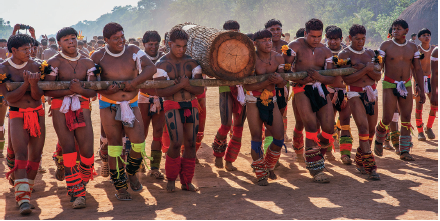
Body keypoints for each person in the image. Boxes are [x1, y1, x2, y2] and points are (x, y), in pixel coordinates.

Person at [90, 22, 156, 200]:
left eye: (122, 36)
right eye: (116, 38)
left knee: (138, 142)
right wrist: (106, 90)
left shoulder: (133, 50)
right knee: (115, 146)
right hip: (108, 105)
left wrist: (134, 83)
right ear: (106, 40)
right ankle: (120, 187)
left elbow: (151, 68)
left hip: (132, 103)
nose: (121, 41)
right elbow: (92, 82)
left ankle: (131, 172)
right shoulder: (97, 56)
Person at [44, 27, 97, 209]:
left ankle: (80, 181)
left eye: (73, 38)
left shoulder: (88, 62)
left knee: (87, 151)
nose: (71, 42)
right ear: (59, 43)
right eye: (66, 39)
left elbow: (93, 92)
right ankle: (76, 192)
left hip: (82, 105)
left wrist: (80, 91)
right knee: (68, 149)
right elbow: (46, 89)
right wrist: (69, 91)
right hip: (60, 106)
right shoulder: (53, 62)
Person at [154, 27, 204, 192]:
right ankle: (171, 179)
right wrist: (183, 85)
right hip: (171, 105)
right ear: (169, 44)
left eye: (183, 46)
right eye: (177, 46)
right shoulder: (161, 64)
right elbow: (160, 92)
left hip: (191, 105)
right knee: (175, 143)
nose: (181, 50)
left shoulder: (193, 63)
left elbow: (200, 91)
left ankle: (187, 181)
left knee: (190, 143)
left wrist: (185, 85)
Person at [1, 34, 45, 215]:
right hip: (17, 114)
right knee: (20, 154)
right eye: (25, 49)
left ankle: (26, 191)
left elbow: (38, 96)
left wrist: (33, 85)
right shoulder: (3, 69)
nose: (30, 52)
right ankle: (23, 200)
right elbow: (9, 99)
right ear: (13, 51)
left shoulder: (37, 66)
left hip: (38, 113)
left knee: (35, 156)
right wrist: (25, 83)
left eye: (30, 48)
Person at [288, 18, 335, 183]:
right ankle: (316, 169)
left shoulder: (326, 51)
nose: (316, 40)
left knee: (329, 129)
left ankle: (316, 156)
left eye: (319, 36)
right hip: (300, 89)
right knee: (311, 127)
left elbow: (331, 79)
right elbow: (285, 71)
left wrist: (318, 76)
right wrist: (300, 80)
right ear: (305, 33)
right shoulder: (294, 46)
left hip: (320, 88)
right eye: (312, 36)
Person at [374, 19, 426, 161]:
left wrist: (421, 88)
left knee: (406, 118)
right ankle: (379, 138)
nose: (395, 31)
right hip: (389, 84)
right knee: (387, 117)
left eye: (398, 29)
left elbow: (418, 69)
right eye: (393, 28)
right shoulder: (385, 45)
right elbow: (377, 67)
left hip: (407, 84)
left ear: (406, 31)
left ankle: (404, 151)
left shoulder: (413, 48)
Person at [339, 24, 381, 180]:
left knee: (371, 130)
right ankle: (371, 167)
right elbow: (346, 79)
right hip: (354, 93)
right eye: (357, 39)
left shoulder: (371, 53)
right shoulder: (344, 55)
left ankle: (359, 159)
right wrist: (365, 69)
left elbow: (377, 76)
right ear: (350, 38)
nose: (360, 42)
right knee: (363, 128)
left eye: (363, 39)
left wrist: (366, 70)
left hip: (371, 92)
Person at [243, 29, 285, 185]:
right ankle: (261, 173)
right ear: (255, 43)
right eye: (264, 40)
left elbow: (283, 82)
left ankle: (267, 165)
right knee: (256, 137)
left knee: (279, 137)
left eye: (270, 39)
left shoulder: (278, 57)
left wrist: (280, 79)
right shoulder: (249, 59)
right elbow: (246, 84)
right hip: (253, 99)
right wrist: (266, 83)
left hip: (271, 99)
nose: (268, 42)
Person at [211, 20, 247, 171]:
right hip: (225, 88)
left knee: (238, 127)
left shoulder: (247, 47)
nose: (234, 34)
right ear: (223, 33)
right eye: (230, 32)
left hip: (243, 89)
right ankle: (218, 155)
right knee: (226, 124)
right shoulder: (217, 49)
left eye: (236, 31)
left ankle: (230, 160)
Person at [139, 30, 165, 179]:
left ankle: (155, 168)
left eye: (156, 44)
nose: (153, 47)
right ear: (144, 44)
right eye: (150, 44)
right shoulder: (138, 58)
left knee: (158, 133)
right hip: (143, 98)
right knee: (141, 133)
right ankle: (140, 162)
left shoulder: (164, 58)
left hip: (160, 99)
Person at [325, 25, 352, 164]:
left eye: (336, 39)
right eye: (330, 39)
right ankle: (328, 151)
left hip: (345, 91)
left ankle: (345, 154)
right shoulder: (322, 52)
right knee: (327, 122)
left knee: (345, 122)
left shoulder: (348, 52)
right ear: (326, 38)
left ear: (341, 39)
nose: (333, 42)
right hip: (328, 91)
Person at [265, 19, 291, 144]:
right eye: (272, 30)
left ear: (281, 31)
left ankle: (281, 134)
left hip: (282, 84)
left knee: (281, 111)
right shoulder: (261, 45)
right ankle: (266, 142)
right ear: (267, 31)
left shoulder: (287, 46)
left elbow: (291, 66)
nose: (275, 32)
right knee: (265, 113)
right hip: (264, 85)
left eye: (278, 29)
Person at [415, 28, 436, 140]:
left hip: (430, 78)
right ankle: (420, 131)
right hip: (419, 79)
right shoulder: (417, 50)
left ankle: (429, 127)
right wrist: (416, 83)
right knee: (419, 105)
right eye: (424, 35)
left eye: (428, 35)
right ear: (419, 38)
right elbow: (412, 67)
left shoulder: (434, 49)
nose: (427, 37)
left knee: (435, 104)